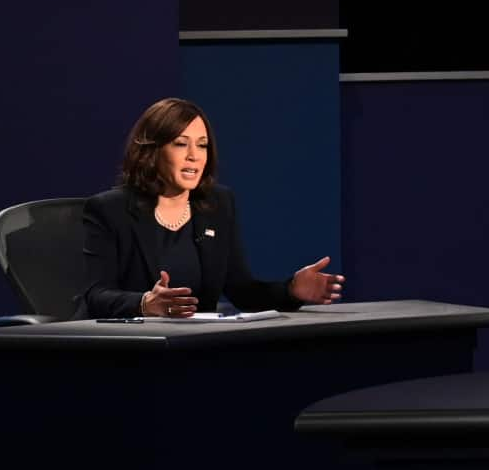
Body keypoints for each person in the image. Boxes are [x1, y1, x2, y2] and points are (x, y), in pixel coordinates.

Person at [74, 97, 346, 319]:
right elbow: (97, 295)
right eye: (180, 144)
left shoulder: (217, 205)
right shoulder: (110, 209)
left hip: (190, 346)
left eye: (202, 146)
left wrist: (291, 290)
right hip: (125, 345)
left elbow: (243, 291)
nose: (194, 155)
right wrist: (145, 303)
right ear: (152, 151)